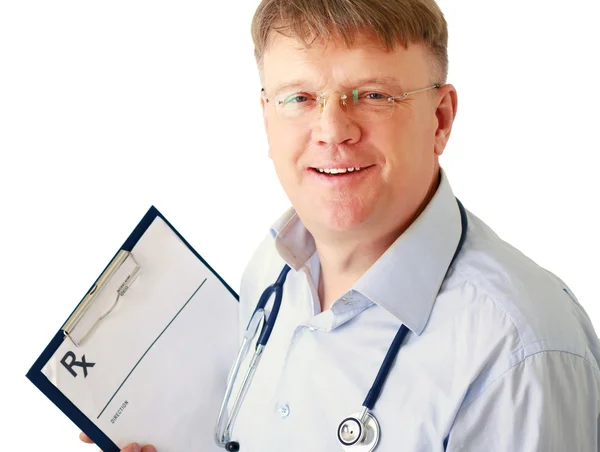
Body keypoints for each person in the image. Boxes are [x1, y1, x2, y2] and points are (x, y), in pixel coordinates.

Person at [81, 0, 600, 450]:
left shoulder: (519, 350)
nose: (332, 130)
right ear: (267, 118)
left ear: (440, 119)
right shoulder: (270, 273)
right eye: (300, 98)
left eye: (373, 94)